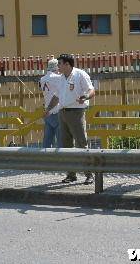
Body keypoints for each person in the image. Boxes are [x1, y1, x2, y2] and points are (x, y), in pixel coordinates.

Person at [44, 54, 95, 185]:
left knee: (81, 143)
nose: (58, 67)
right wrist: (49, 109)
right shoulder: (61, 78)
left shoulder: (80, 74)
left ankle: (89, 174)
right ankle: (71, 174)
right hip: (63, 113)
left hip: (76, 112)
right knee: (66, 145)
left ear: (67, 64)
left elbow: (91, 90)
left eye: (59, 64)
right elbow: (56, 96)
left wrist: (85, 96)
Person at [40, 59, 63, 148]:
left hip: (47, 112)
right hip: (57, 111)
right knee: (61, 140)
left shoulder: (42, 79)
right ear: (57, 67)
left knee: (47, 140)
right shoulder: (58, 78)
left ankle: (44, 159)